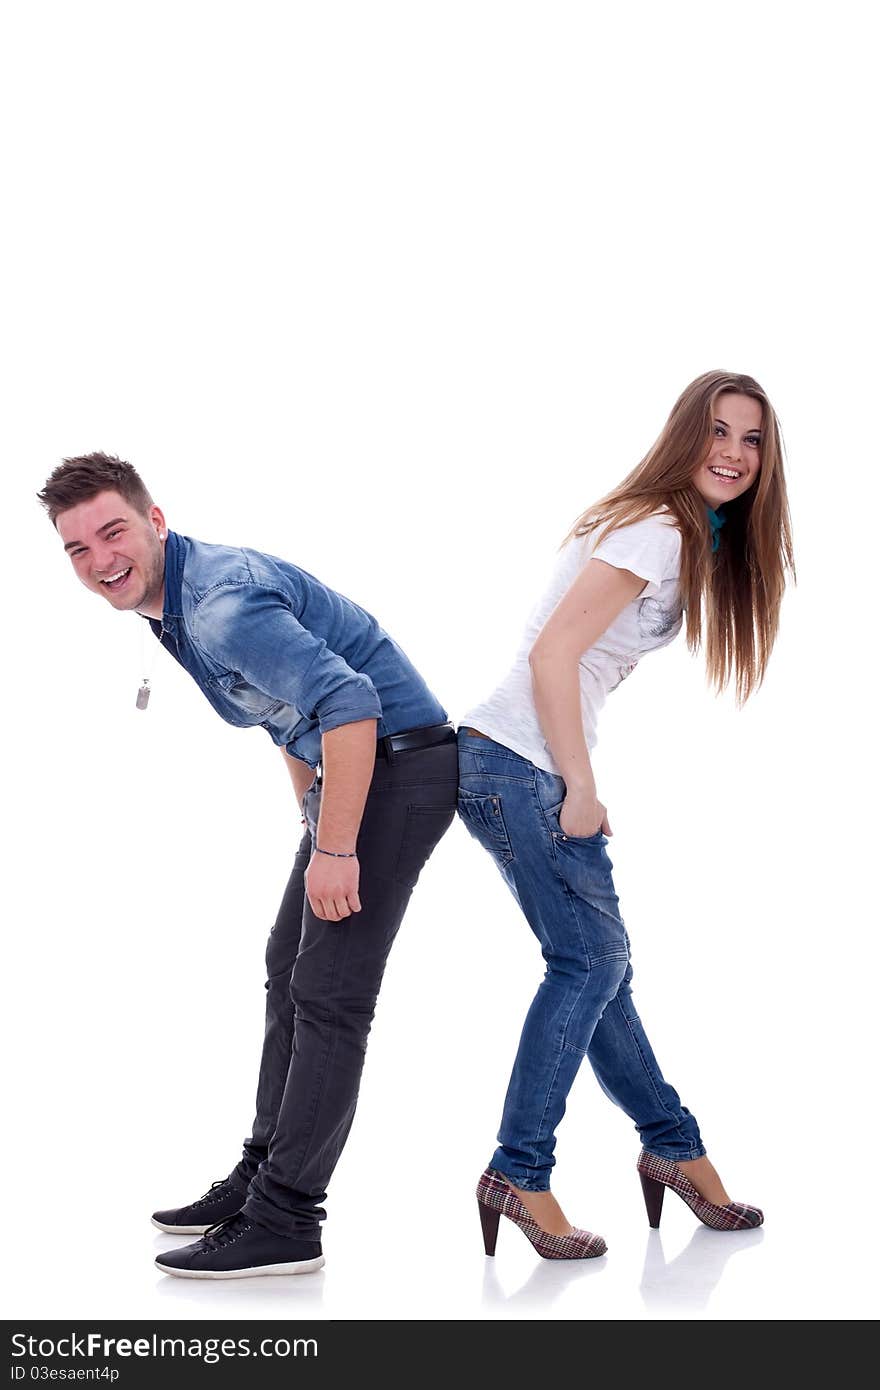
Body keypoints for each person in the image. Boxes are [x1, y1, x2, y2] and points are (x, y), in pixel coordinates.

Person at [37, 453, 458, 1280]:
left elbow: (350, 704)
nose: (99, 561)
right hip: (358, 776)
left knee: (330, 996)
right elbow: (285, 719)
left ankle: (288, 1218)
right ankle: (261, 1173)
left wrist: (336, 850)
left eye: (112, 531)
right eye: (77, 549)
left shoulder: (222, 607)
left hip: (400, 770)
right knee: (286, 969)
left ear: (156, 521)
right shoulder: (175, 607)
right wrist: (315, 821)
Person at [458, 371, 794, 1259]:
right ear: (686, 435)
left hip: (514, 761)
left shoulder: (680, 530)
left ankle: (675, 1153)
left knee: (598, 973)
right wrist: (581, 787)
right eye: (717, 431)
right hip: (519, 761)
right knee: (590, 962)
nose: (732, 452)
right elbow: (552, 657)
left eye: (751, 439)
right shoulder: (655, 530)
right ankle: (519, 1173)